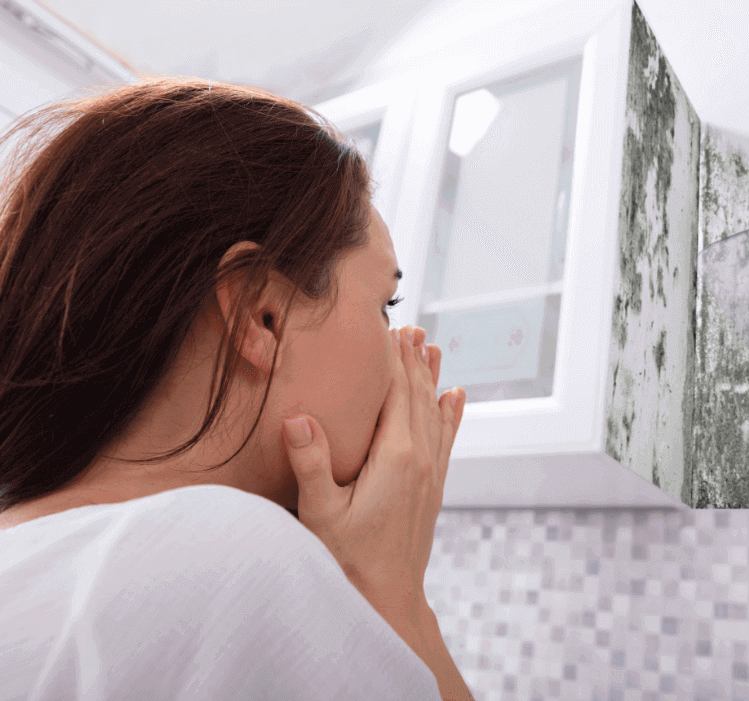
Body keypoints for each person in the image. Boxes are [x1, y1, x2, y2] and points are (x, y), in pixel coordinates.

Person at [0, 76, 474, 701]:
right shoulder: (231, 552)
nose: (406, 347)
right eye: (386, 304)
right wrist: (395, 598)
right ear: (261, 315)